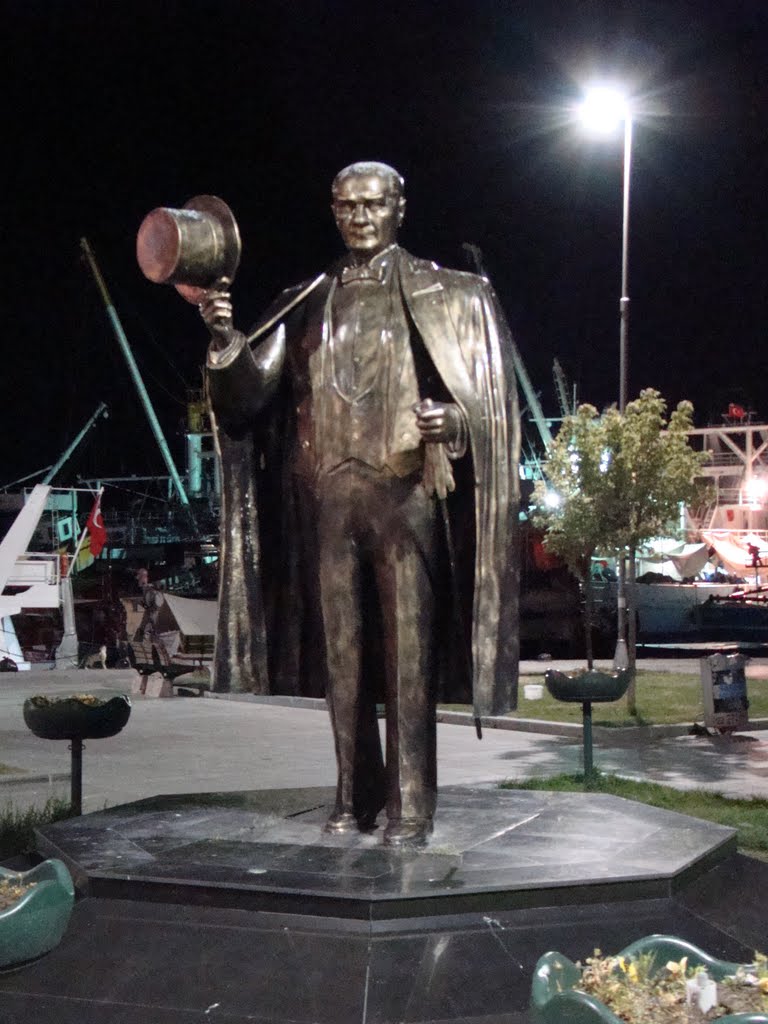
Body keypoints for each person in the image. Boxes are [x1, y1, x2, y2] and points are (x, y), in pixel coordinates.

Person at [202, 161, 519, 847]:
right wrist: (226, 342)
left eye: (372, 205)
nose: (359, 218)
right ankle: (352, 797)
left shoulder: (451, 294)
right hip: (331, 499)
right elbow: (249, 400)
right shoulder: (308, 300)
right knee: (343, 663)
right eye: (345, 206)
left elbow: (488, 410)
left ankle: (411, 808)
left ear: (399, 208)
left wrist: (457, 425)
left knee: (409, 661)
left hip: (406, 496)